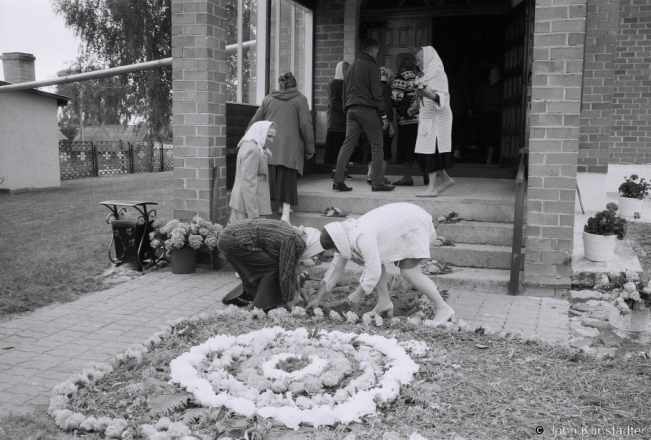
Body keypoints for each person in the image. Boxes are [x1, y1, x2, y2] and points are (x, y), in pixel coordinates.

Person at [307, 203, 455, 326]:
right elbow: (335, 270)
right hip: (402, 221)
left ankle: (443, 308)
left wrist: (357, 294)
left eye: (333, 248)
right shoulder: (343, 237)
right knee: (376, 262)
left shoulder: (361, 236)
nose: (334, 251)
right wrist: (317, 299)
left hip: (411, 222)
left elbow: (373, 270)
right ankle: (384, 301)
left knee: (409, 273)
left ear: (336, 242)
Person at [248, 72, 315, 225]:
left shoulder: (268, 99)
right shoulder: (300, 99)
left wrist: (248, 139)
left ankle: (273, 210)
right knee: (288, 178)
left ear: (280, 85)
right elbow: (305, 124)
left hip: (270, 145)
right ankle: (285, 214)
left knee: (272, 176)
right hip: (290, 147)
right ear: (295, 85)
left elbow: (255, 121)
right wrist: (310, 147)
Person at [218, 219, 324, 311]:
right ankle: (260, 306)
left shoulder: (296, 235)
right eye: (315, 255)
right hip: (234, 240)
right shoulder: (295, 242)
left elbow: (294, 272)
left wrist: (306, 298)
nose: (313, 258)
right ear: (313, 247)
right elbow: (286, 274)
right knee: (275, 268)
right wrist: (292, 308)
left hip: (226, 238)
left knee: (267, 268)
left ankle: (235, 297)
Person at [332, 38, 394, 193]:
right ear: (373, 50)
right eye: (377, 51)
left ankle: (338, 181)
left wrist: (347, 109)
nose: (377, 54)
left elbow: (344, 92)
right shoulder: (372, 67)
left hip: (351, 110)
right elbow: (377, 93)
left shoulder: (350, 67)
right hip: (368, 110)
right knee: (377, 146)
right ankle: (377, 182)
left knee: (347, 145)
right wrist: (384, 115)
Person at [411, 46, 455, 197]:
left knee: (431, 154)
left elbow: (441, 97)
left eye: (419, 60)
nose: (417, 64)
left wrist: (428, 93)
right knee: (427, 152)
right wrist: (415, 107)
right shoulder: (425, 74)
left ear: (427, 57)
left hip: (437, 120)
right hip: (427, 119)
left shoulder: (437, 72)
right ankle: (446, 180)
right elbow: (424, 96)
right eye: (416, 61)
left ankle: (431, 188)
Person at [228, 121, 276, 223]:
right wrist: (253, 215)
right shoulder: (252, 150)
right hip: (249, 208)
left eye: (273, 137)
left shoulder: (251, 146)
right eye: (269, 136)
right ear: (260, 133)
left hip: (246, 204)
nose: (271, 141)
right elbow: (248, 183)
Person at [391, 52, 427, 186]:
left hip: (406, 120)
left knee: (406, 149)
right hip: (420, 119)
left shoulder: (400, 77)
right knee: (421, 148)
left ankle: (407, 177)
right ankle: (426, 172)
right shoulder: (419, 77)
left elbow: (396, 98)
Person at [364, 66, 395, 185]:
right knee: (385, 152)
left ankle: (370, 174)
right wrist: (391, 124)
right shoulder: (386, 88)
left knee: (372, 150)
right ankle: (379, 176)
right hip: (382, 126)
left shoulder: (369, 87)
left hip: (369, 124)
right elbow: (387, 108)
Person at [324, 61, 353, 181]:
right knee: (335, 148)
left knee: (344, 147)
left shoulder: (349, 84)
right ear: (340, 69)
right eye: (345, 68)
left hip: (346, 122)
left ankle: (344, 171)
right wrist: (347, 109)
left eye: (348, 68)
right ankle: (335, 172)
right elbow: (333, 102)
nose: (347, 70)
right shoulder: (334, 84)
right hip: (336, 122)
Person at [474, 65, 503, 165]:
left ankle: (487, 158)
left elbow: (477, 100)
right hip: (494, 113)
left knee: (486, 136)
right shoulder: (502, 85)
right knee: (492, 136)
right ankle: (489, 159)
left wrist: (476, 110)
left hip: (486, 113)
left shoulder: (484, 86)